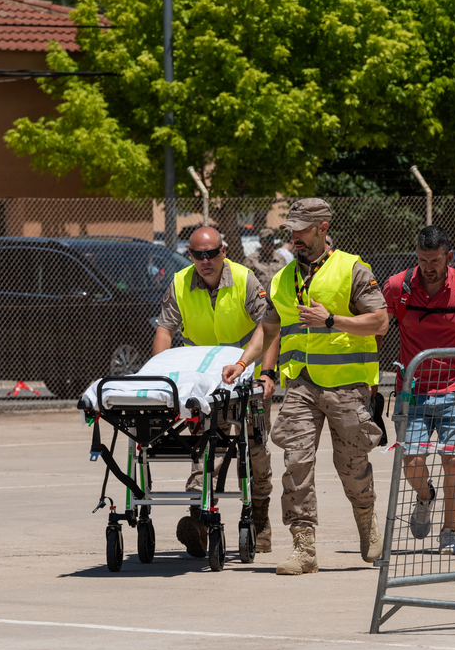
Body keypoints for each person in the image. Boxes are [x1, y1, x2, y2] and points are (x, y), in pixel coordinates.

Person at [221, 198, 388, 576]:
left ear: (323, 228)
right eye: (291, 230)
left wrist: (332, 321)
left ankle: (367, 522)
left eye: (301, 229)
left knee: (352, 465)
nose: (294, 237)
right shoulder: (282, 278)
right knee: (296, 463)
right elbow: (268, 329)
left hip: (347, 386)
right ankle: (304, 548)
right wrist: (243, 363)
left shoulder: (353, 269)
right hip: (300, 385)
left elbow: (379, 322)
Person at [153, 226, 277, 555]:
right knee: (209, 445)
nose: (205, 261)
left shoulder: (244, 279)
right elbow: (165, 329)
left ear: (224, 250)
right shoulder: (180, 283)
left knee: (254, 450)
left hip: (243, 372)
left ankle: (259, 519)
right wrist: (161, 376)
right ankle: (199, 518)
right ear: (189, 255)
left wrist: (265, 372)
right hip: (205, 381)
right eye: (198, 255)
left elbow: (269, 326)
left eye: (211, 253)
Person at [384, 225, 455, 555]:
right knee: (412, 461)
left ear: (448, 256)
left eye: (434, 260)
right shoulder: (398, 286)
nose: (428, 267)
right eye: (422, 260)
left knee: (453, 461)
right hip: (411, 393)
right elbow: (377, 330)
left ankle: (449, 530)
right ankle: (425, 496)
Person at [241, 227, 289, 292]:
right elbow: (244, 282)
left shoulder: (281, 259)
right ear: (260, 241)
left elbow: (286, 281)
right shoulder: (251, 260)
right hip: (259, 298)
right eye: (266, 239)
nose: (269, 242)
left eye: (272, 238)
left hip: (277, 297)